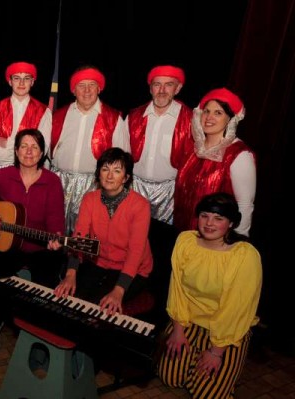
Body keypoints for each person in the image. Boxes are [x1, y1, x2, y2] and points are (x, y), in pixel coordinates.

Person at [0, 128, 66, 353]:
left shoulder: (52, 181)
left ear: (42, 153)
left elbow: (56, 220)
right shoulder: (4, 175)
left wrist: (56, 237)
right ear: (16, 151)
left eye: (35, 147)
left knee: (47, 288)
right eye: (24, 146)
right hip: (7, 246)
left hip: (39, 248)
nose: (29, 152)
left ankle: (37, 336)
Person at [157, 192, 262, 398]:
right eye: (204, 215)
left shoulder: (244, 255)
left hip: (226, 327)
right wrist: (177, 330)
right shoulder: (186, 241)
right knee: (170, 378)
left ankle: (224, 370)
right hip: (188, 320)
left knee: (207, 394)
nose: (209, 223)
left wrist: (217, 351)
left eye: (218, 218)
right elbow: (177, 287)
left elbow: (236, 308)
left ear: (231, 223)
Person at [54, 147, 153, 314]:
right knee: (69, 299)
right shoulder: (89, 199)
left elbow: (135, 252)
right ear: (98, 173)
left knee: (100, 309)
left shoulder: (140, 206)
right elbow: (80, 237)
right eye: (105, 169)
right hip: (98, 262)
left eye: (117, 171)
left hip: (132, 269)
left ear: (126, 178)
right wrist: (71, 275)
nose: (109, 175)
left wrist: (119, 290)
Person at [50, 66, 127, 234]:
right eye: (81, 85)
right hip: (58, 183)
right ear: (73, 90)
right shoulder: (59, 115)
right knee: (54, 233)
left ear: (99, 89)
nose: (86, 91)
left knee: (86, 236)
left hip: (94, 186)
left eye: (91, 85)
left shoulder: (114, 119)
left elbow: (122, 161)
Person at [174, 88, 256, 236]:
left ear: (230, 119)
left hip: (215, 239)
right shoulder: (192, 149)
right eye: (206, 111)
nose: (209, 117)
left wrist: (236, 243)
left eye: (218, 113)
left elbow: (244, 205)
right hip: (183, 234)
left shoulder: (239, 155)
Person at [124, 65, 193, 225]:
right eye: (157, 84)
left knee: (161, 241)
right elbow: (122, 155)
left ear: (178, 88)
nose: (162, 90)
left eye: (168, 84)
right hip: (135, 188)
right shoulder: (133, 117)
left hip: (169, 194)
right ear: (150, 88)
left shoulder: (191, 120)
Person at [0, 61, 52, 169]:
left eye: (26, 78)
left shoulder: (43, 111)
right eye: (16, 78)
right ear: (10, 81)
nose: (21, 83)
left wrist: (6, 144)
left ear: (32, 82)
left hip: (29, 169)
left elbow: (42, 146)